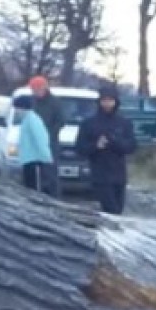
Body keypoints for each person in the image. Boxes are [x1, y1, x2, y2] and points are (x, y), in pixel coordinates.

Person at [74, 84, 139, 215]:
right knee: (111, 210)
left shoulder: (124, 123)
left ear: (116, 102)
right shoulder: (89, 123)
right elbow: (80, 148)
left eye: (110, 100)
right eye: (104, 100)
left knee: (118, 211)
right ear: (99, 102)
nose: (107, 104)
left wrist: (115, 142)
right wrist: (96, 146)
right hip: (100, 175)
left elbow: (132, 146)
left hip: (119, 175)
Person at [27, 76, 64, 197]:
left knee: (50, 174)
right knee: (31, 174)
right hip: (32, 143)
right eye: (34, 89)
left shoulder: (55, 102)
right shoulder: (31, 102)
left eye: (38, 88)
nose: (36, 91)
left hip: (49, 143)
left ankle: (53, 199)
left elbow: (61, 121)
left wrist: (48, 135)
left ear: (45, 87)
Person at [14, 94, 54, 193]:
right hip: (27, 160)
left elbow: (41, 139)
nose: (15, 111)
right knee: (28, 188)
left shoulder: (32, 120)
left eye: (17, 108)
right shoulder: (26, 120)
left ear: (23, 107)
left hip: (35, 161)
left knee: (34, 189)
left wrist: (46, 157)